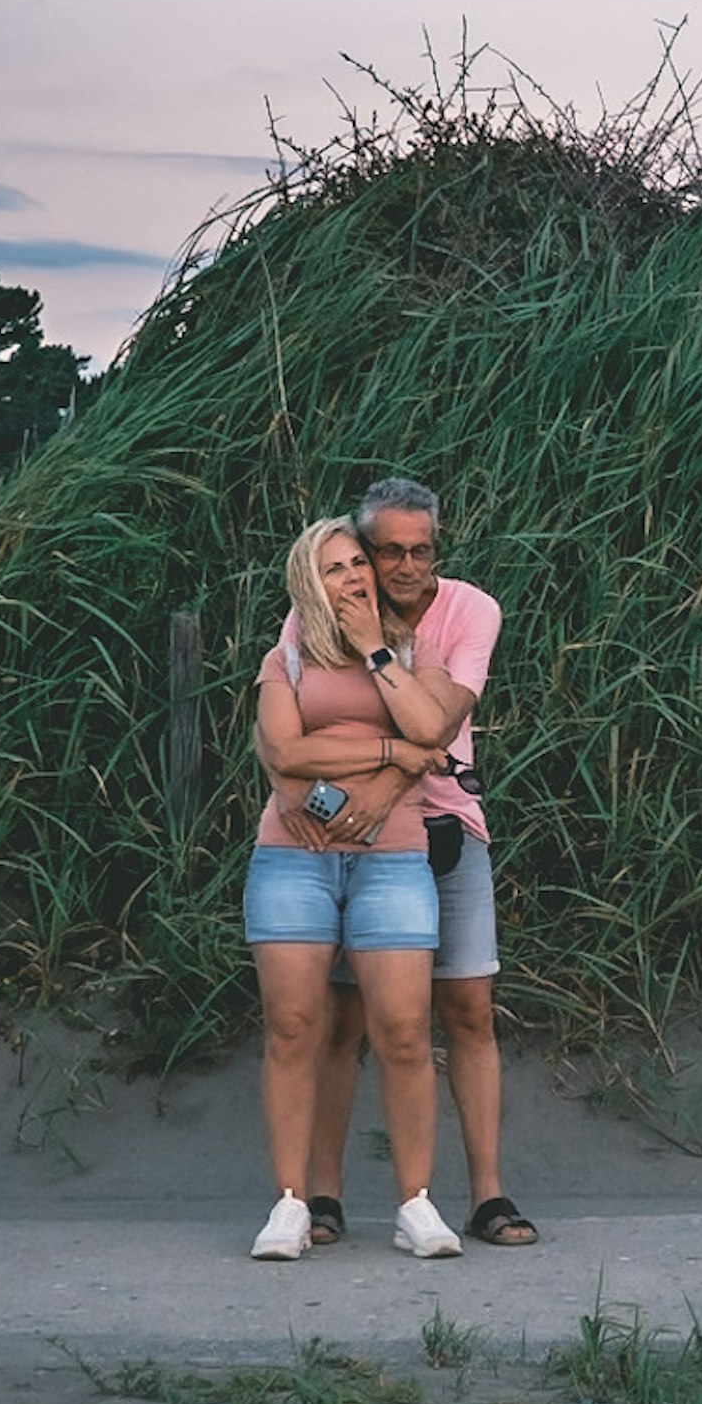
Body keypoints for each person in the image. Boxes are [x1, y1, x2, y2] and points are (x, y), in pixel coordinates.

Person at [281, 476, 533, 1249]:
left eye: (420, 550)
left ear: (438, 549)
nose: (405, 567)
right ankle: (322, 1196)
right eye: (387, 550)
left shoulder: (469, 610)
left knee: (468, 1010)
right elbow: (282, 732)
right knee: (343, 1019)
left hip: (446, 825)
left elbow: (442, 723)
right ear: (363, 549)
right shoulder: (318, 609)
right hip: (352, 839)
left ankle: (487, 1196)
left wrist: (387, 786)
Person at [244, 515, 472, 1261]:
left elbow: (430, 728)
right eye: (334, 567)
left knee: (404, 1031)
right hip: (295, 856)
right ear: (310, 580)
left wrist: (378, 651)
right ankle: (290, 1203)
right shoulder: (287, 656)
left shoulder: (413, 648)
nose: (351, 577)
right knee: (293, 1028)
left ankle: (415, 1204)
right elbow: (283, 748)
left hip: (394, 858)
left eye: (356, 564)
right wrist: (385, 750)